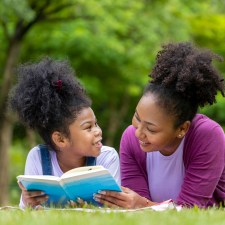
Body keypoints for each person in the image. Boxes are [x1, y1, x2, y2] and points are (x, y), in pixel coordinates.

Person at [93, 42, 225, 208]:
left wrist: (143, 204)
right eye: (137, 117)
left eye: (151, 128)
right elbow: (135, 208)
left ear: (182, 129)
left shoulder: (207, 135)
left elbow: (191, 209)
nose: (138, 133)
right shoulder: (131, 139)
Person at [9, 57, 120, 209]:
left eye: (96, 124)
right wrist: (28, 202)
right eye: (88, 127)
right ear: (60, 139)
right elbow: (27, 213)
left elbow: (114, 208)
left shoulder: (107, 158)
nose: (98, 131)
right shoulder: (37, 158)